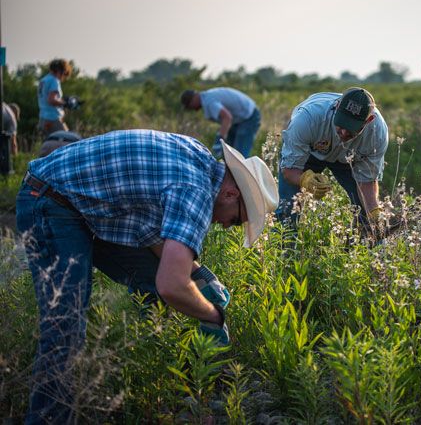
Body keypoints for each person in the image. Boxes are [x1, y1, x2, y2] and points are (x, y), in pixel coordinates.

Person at [16, 130, 278, 424]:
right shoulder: (196, 191)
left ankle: (178, 381)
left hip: (82, 205)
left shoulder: (200, 160)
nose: (227, 227)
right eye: (234, 220)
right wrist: (213, 316)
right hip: (52, 199)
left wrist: (199, 276)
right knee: (65, 327)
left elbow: (151, 238)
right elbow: (171, 284)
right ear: (232, 194)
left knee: (160, 284)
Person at [276, 87, 388, 229]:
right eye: (342, 122)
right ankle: (284, 250)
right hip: (309, 153)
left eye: (352, 126)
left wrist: (374, 211)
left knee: (365, 213)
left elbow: (367, 181)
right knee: (287, 210)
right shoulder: (307, 119)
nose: (344, 131)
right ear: (337, 106)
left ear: (369, 120)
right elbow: (289, 170)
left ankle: (364, 247)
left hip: (348, 159)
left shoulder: (377, 133)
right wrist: (305, 180)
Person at [180, 87, 261, 158]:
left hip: (249, 117)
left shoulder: (209, 102)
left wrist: (219, 139)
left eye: (188, 105)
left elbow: (227, 117)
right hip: (239, 119)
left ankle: (246, 175)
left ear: (192, 101)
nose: (190, 108)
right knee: (229, 154)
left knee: (240, 156)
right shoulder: (206, 98)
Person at [37, 59, 76, 135]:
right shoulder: (54, 80)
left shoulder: (43, 80)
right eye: (64, 73)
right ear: (60, 71)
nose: (63, 77)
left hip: (42, 118)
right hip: (52, 118)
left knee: (50, 143)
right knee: (67, 140)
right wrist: (65, 103)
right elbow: (51, 100)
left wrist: (61, 100)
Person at [1, 102, 20, 175]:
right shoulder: (12, 117)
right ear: (15, 113)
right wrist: (16, 162)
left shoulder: (4, 106)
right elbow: (13, 143)